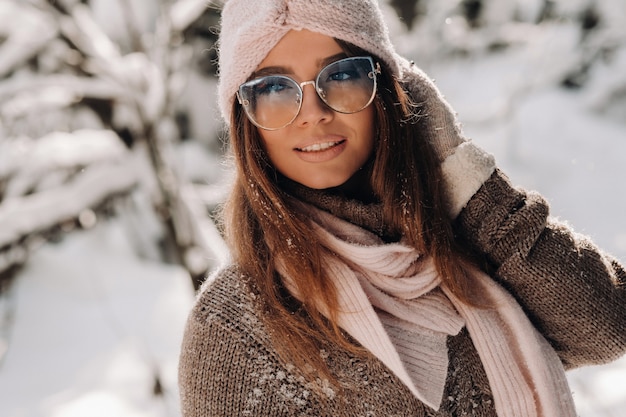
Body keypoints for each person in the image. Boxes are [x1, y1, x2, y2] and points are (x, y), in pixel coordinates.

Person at [178, 0, 626, 415]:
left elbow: (606, 327)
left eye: (341, 75)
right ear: (244, 118)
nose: (312, 112)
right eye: (274, 87)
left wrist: (464, 177)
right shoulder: (236, 326)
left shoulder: (465, 239)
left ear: (386, 90)